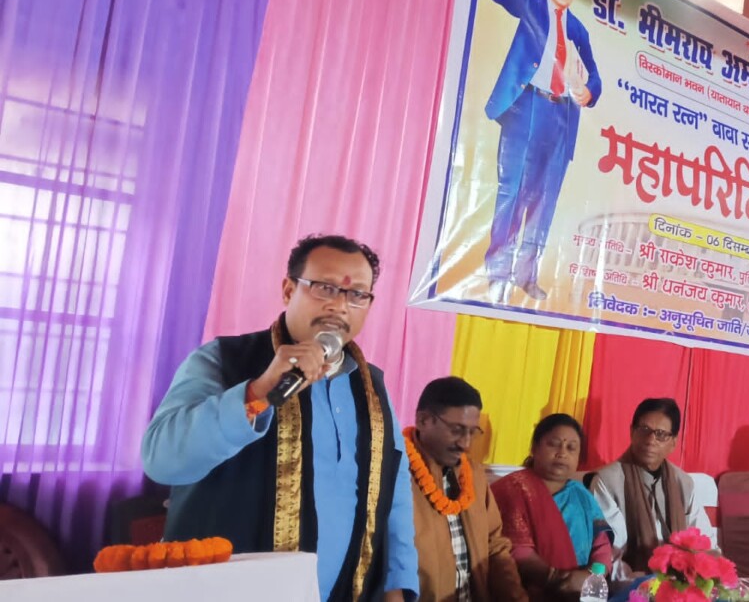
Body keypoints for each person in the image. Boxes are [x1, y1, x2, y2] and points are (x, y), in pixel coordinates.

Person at [142, 234, 416, 601]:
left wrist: (397, 585)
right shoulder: (224, 360)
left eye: (356, 294)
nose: (339, 306)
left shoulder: (371, 386)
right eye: (324, 288)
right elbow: (161, 461)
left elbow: (395, 493)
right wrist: (256, 393)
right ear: (288, 290)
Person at [482, 0, 602, 303]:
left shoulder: (578, 29)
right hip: (527, 106)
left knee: (544, 199)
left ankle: (526, 275)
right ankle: (498, 271)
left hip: (562, 116)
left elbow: (596, 76)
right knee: (513, 190)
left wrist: (589, 92)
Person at [406, 377, 527, 602]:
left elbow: (494, 546)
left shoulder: (474, 475)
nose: (466, 444)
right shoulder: (394, 474)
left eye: (473, 432)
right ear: (423, 420)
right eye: (457, 430)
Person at [589, 398, 716, 580]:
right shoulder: (607, 481)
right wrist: (647, 583)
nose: (650, 440)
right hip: (630, 585)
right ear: (632, 432)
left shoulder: (683, 483)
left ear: (673, 442)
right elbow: (610, 553)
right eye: (644, 430)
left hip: (680, 582)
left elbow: (703, 541)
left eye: (661, 434)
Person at [492, 414, 614, 599]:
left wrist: (591, 577)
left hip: (582, 590)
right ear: (534, 448)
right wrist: (556, 578)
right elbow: (514, 549)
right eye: (554, 444)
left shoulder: (582, 495)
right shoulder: (513, 489)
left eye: (571, 448)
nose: (562, 453)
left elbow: (602, 546)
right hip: (526, 592)